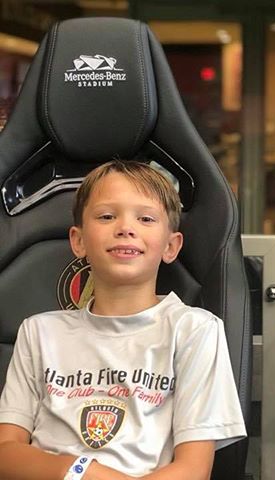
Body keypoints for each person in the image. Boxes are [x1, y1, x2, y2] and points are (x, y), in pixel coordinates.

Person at [0, 160, 246, 479]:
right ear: (79, 241)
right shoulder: (39, 332)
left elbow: (193, 470)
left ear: (171, 246)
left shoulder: (194, 331)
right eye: (106, 216)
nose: (125, 228)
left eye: (145, 218)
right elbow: (6, 452)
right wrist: (80, 471)